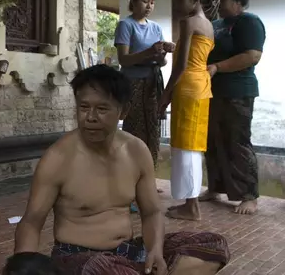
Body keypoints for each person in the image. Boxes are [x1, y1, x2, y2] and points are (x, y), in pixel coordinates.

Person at [14, 65, 230, 275]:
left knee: (214, 246)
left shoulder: (136, 151)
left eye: (101, 109)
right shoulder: (58, 158)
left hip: (129, 252)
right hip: (78, 258)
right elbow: (32, 221)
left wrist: (155, 251)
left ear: (123, 111)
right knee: (105, 270)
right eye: (83, 107)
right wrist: (23, 268)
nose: (90, 117)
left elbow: (151, 211)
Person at [200, 0, 265, 216]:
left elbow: (252, 56)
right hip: (212, 92)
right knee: (213, 141)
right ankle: (215, 187)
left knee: (237, 142)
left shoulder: (249, 22)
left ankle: (249, 195)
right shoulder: (216, 24)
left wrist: (217, 67)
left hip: (238, 91)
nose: (219, 2)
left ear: (238, 1)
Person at [158, 0, 215, 221]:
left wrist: (165, 96)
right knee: (192, 145)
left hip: (188, 86)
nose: (176, 4)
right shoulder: (209, 25)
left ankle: (192, 206)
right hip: (201, 86)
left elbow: (181, 66)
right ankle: (189, 203)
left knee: (186, 147)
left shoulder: (188, 22)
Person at [115, 0, 174, 188]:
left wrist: (163, 53)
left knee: (153, 131)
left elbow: (161, 62)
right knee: (135, 130)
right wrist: (150, 52)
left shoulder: (155, 27)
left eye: (152, 2)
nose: (149, 6)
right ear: (133, 1)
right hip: (133, 84)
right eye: (145, 1)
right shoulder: (126, 25)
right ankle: (130, 182)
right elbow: (124, 59)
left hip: (153, 82)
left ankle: (148, 179)